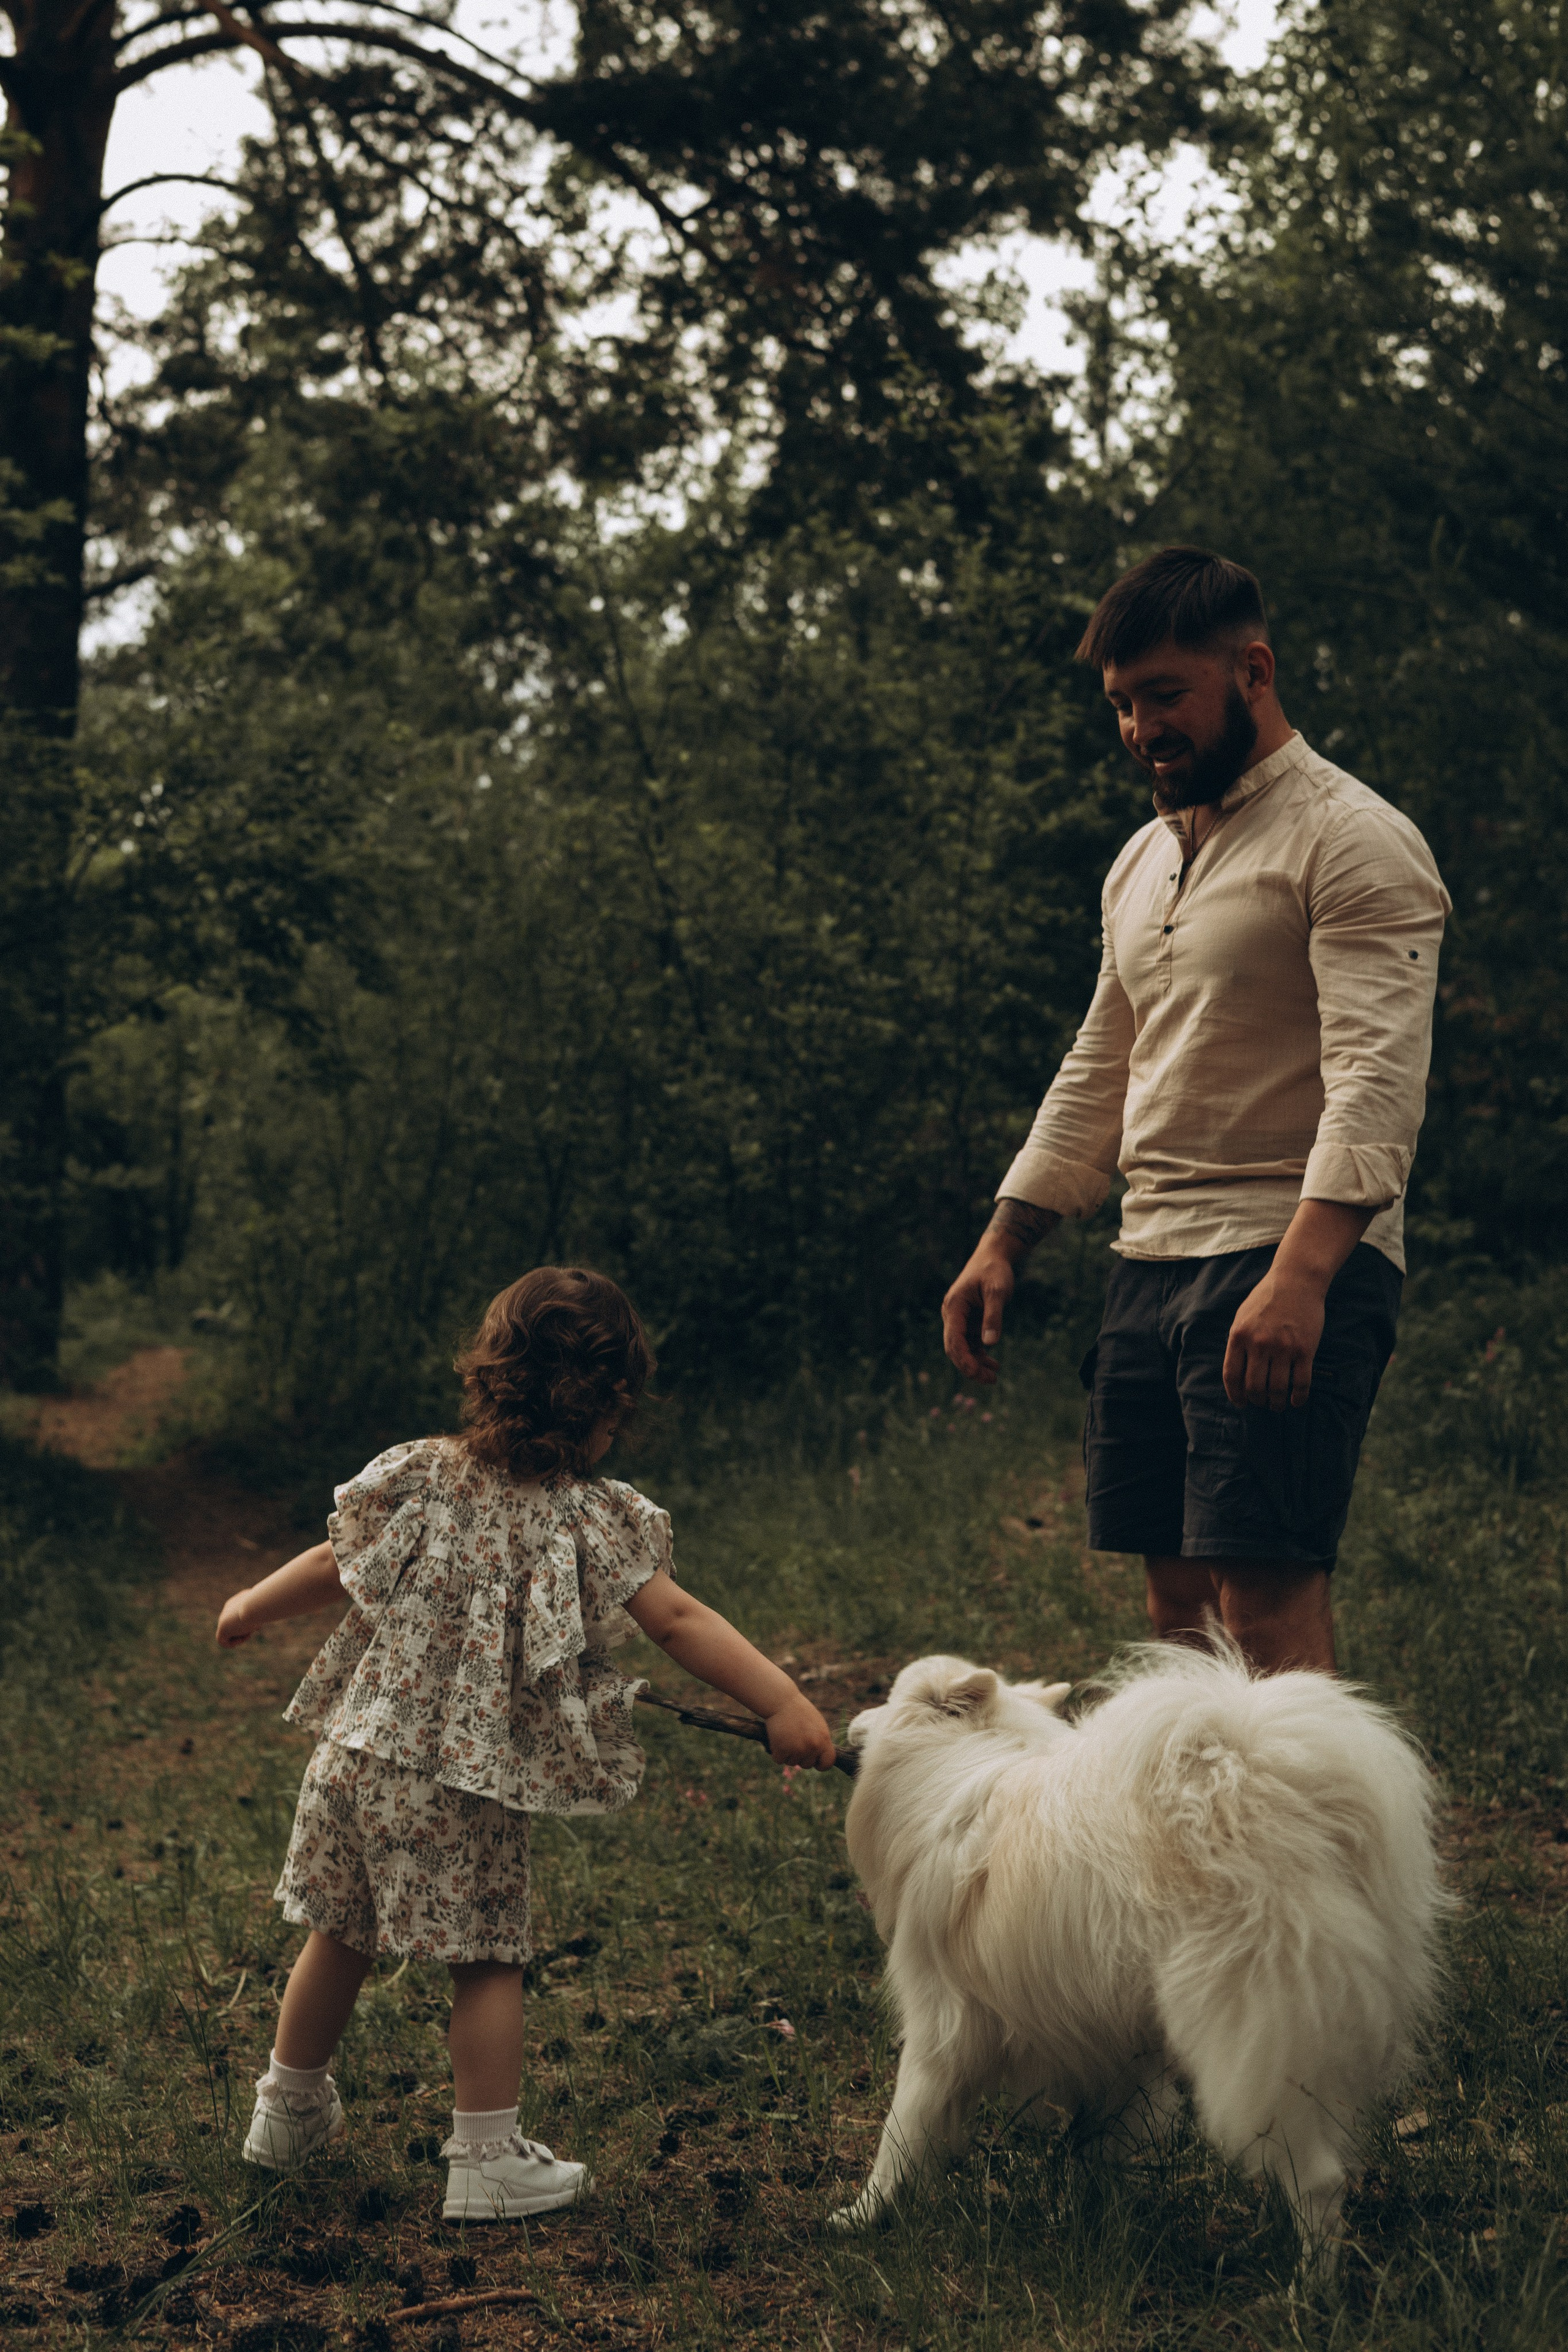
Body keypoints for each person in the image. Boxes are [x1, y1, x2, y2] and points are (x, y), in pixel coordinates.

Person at [215, 1265, 835, 2221]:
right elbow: (676, 1620)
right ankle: (487, 2157)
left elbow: (333, 1564)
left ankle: (286, 2112)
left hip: (352, 1757)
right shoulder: (584, 1515)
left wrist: (251, 1606)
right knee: (489, 1957)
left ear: (489, 1374)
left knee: (339, 1932)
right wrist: (782, 1699)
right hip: (462, 1783)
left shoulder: (419, 1472)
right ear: (611, 1402)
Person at [942, 548, 1450, 1675]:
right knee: (1178, 1625)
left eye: (1165, 695)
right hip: (1151, 1259)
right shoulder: (1139, 861)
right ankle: (1199, 1861)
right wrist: (1004, 1238)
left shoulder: (1352, 838)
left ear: (1254, 671)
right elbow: (1103, 1061)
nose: (1139, 729)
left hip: (1286, 1250)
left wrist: (1305, 1276)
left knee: (1264, 1603)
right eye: (1122, 704)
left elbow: (1379, 1079)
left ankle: (1313, 1858)